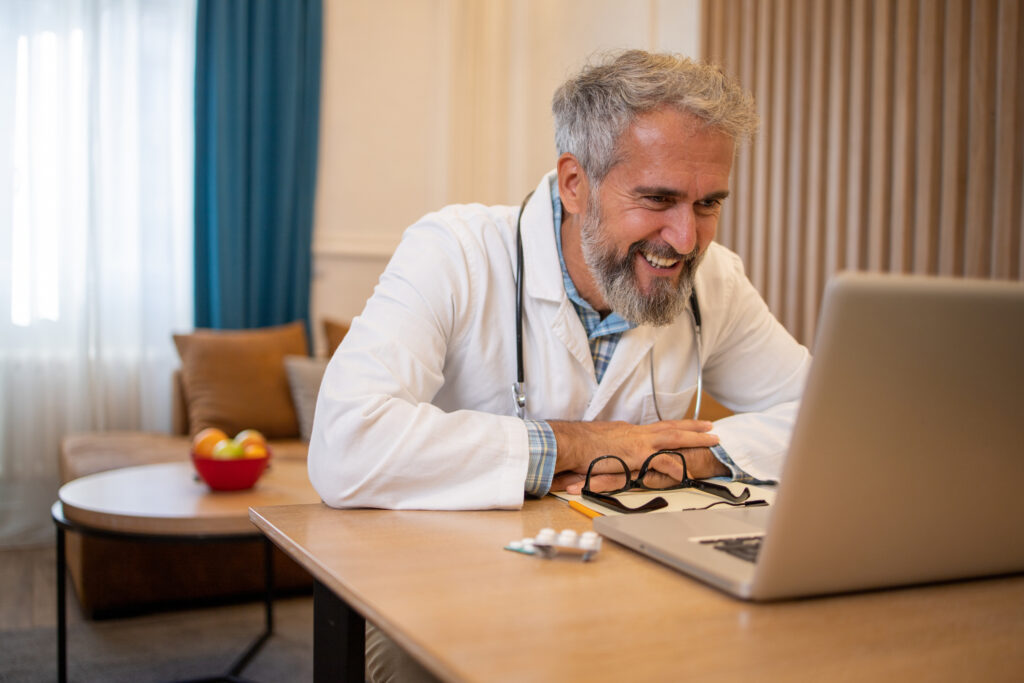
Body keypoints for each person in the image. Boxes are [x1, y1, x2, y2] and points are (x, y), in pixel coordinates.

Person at [308, 49, 810, 511]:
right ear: (575, 184)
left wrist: (693, 456)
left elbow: (835, 420)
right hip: (464, 583)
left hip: (637, 583)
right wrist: (578, 443)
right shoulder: (455, 252)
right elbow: (346, 443)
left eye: (708, 204)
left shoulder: (715, 278)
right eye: (657, 199)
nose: (685, 240)